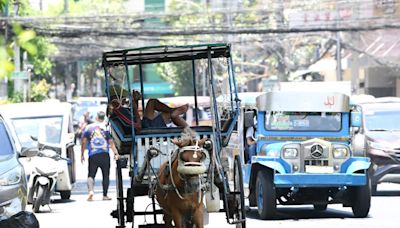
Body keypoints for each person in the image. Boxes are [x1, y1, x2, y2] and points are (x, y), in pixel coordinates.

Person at [81, 111, 120, 201]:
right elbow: (111, 142)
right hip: (104, 155)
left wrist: (82, 154)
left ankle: (91, 191)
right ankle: (105, 195)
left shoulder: (88, 128)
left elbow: (83, 141)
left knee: (91, 175)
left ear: (96, 117)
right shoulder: (105, 128)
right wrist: (115, 153)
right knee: (105, 175)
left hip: (93, 155)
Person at [109, 89, 189, 129]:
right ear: (115, 98)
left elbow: (133, 117)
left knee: (152, 102)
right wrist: (135, 108)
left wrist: (136, 101)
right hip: (144, 129)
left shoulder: (119, 110)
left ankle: (173, 111)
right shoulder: (119, 111)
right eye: (122, 97)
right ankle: (187, 128)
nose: (124, 99)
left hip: (144, 125)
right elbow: (138, 125)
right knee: (168, 115)